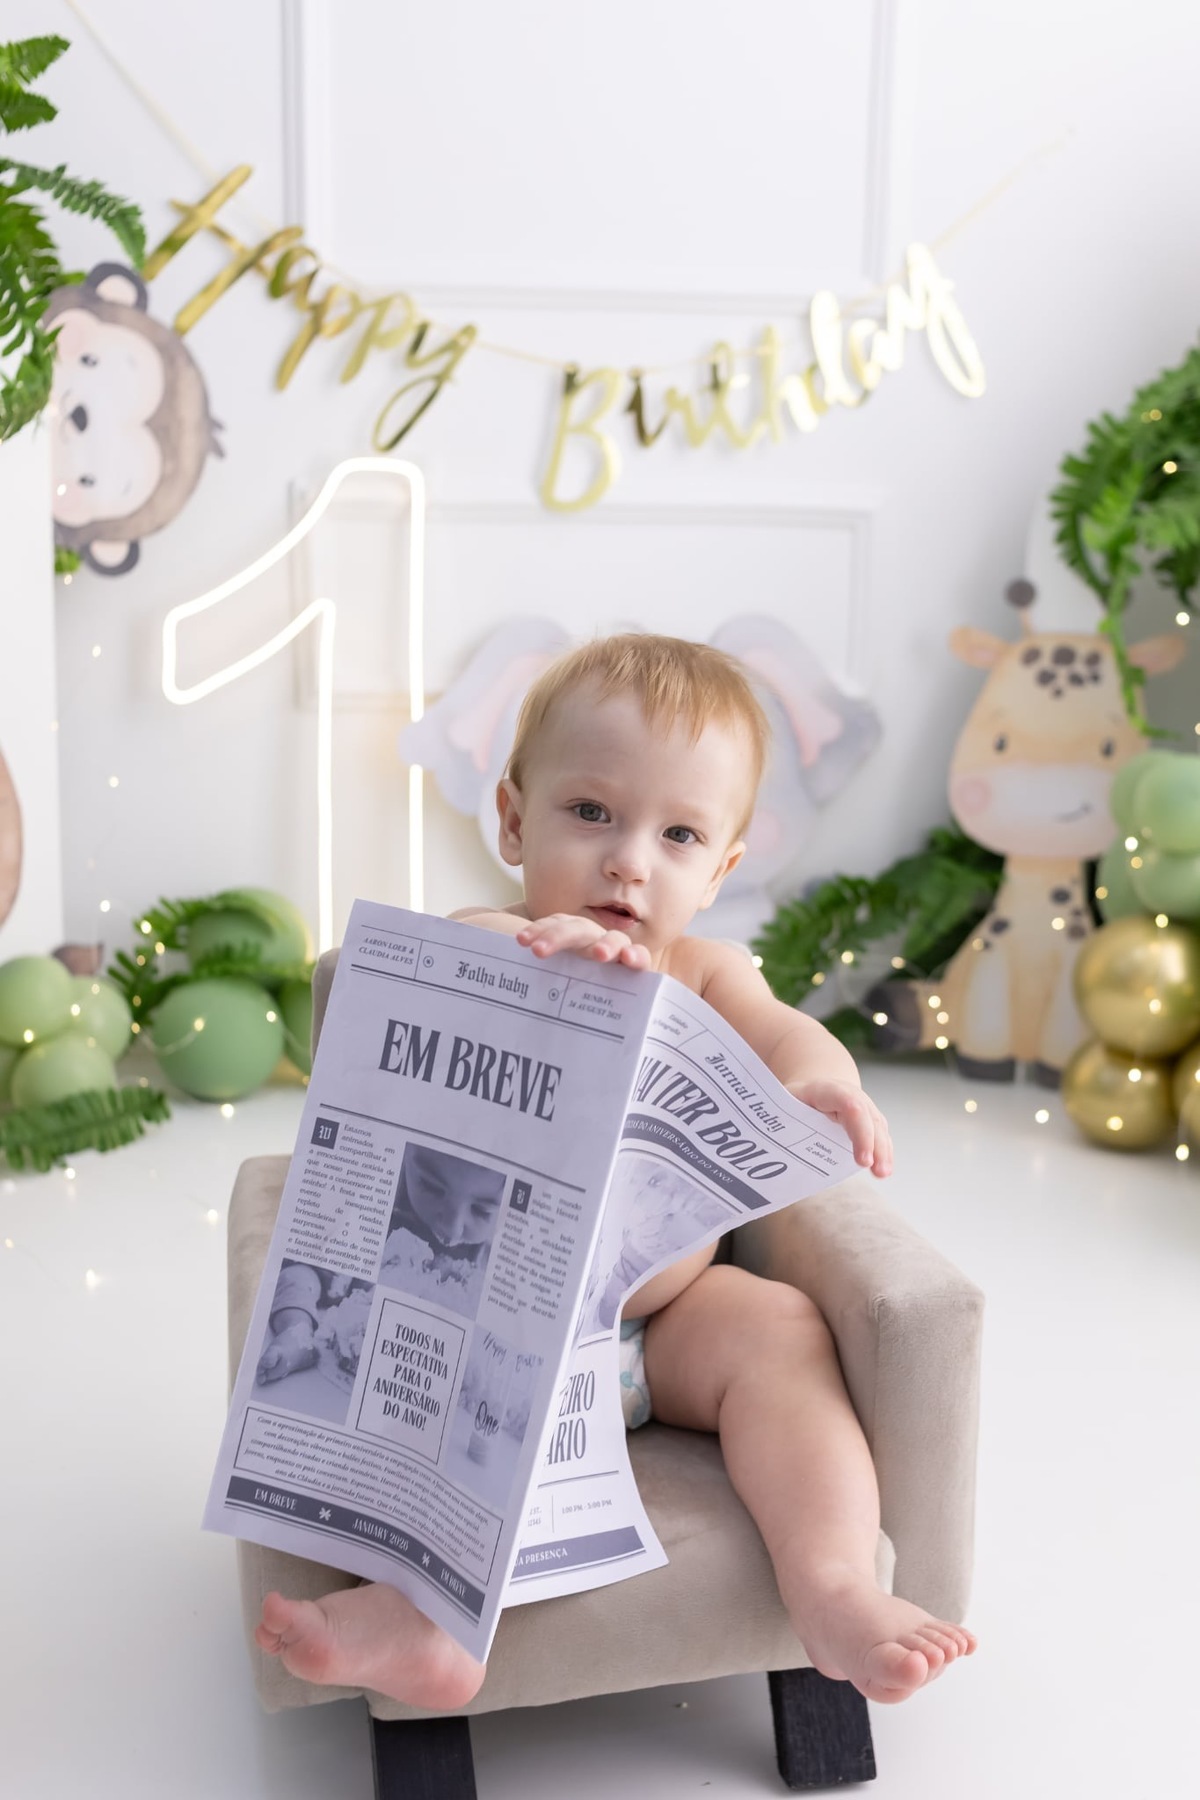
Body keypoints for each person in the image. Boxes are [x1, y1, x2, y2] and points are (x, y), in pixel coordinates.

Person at [255, 632, 978, 1709]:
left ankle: (831, 1587)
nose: (629, 859)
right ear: (512, 819)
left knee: (783, 1332)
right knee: (432, 1372)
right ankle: (431, 1627)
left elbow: (787, 1038)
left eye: (678, 833)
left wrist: (826, 1089)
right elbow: (421, 1007)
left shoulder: (708, 968)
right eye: (590, 812)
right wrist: (533, 963)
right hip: (502, 1327)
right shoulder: (489, 933)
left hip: (668, 1326)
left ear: (723, 866)